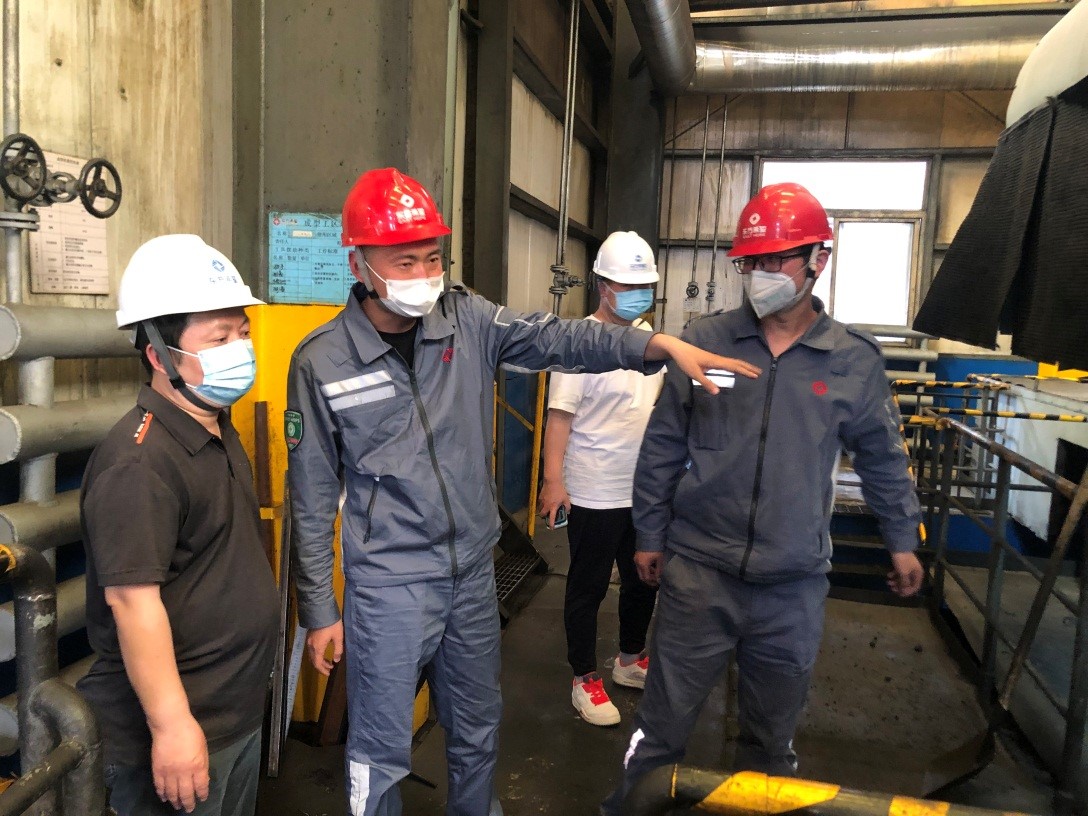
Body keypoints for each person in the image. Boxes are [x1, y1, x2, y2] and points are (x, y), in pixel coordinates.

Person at [286, 168, 761, 816]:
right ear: (359, 263)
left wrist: (654, 344)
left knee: (477, 728)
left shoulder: (466, 319)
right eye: (405, 261)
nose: (425, 273)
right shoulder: (321, 361)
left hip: (471, 577)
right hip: (390, 584)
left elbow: (560, 337)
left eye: (433, 257)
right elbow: (312, 494)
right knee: (379, 749)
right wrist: (319, 609)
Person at [602, 182, 926, 813]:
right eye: (751, 262)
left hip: (792, 586)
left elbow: (883, 458)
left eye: (776, 259)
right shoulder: (706, 341)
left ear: (818, 260)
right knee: (661, 728)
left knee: (771, 744)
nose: (761, 274)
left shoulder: (852, 361)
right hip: (699, 574)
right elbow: (664, 444)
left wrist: (901, 537)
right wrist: (650, 533)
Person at [79, 234, 279, 816]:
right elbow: (131, 601)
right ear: (158, 354)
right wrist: (171, 726)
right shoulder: (139, 462)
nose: (239, 349)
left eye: (242, 333)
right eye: (218, 339)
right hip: (181, 731)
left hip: (232, 713)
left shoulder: (214, 425)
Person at [538, 231, 663, 727]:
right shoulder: (579, 343)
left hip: (643, 491)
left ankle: (630, 659)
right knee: (587, 587)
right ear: (601, 286)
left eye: (644, 285)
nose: (636, 294)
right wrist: (553, 481)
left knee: (643, 580)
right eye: (625, 285)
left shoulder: (651, 342)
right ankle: (584, 678)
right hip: (593, 489)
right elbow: (559, 418)